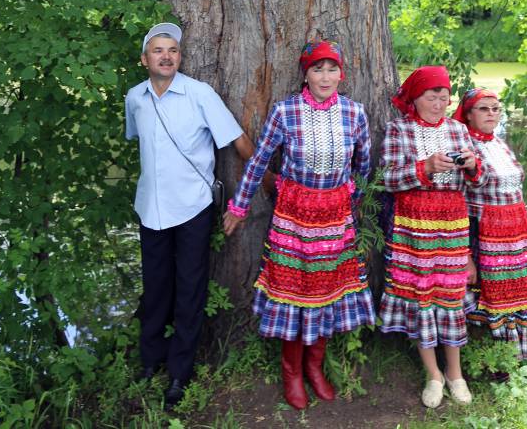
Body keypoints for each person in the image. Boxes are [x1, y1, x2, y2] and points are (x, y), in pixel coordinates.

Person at [223, 39, 375, 410]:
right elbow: (259, 162)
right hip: (293, 217)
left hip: (335, 218)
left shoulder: (354, 113)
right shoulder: (286, 111)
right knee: (294, 292)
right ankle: (291, 371)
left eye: (332, 69)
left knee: (326, 291)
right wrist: (239, 207)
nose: (325, 77)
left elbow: (364, 166)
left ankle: (315, 367)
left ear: (342, 73)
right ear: (305, 74)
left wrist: (351, 203)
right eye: (317, 69)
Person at [125, 22, 257, 409]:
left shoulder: (199, 94)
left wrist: (264, 177)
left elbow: (238, 140)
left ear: (179, 57)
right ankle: (151, 362)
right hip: (151, 208)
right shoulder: (135, 98)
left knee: (189, 291)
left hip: (193, 208)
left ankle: (180, 373)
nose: (166, 57)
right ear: (145, 58)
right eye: (158, 51)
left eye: (173, 51)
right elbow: (140, 142)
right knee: (155, 290)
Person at [379, 65, 488, 410]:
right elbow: (390, 180)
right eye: (431, 95)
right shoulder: (398, 129)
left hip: (453, 224)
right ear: (415, 97)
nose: (440, 101)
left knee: (451, 296)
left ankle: (455, 373)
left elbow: (479, 182)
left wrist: (472, 166)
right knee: (421, 298)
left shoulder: (458, 129)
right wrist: (425, 168)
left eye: (444, 95)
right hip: (412, 225)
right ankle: (433, 374)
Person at [453, 88, 527, 362]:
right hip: (485, 234)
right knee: (485, 295)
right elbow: (468, 189)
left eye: (495, 109)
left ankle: (517, 359)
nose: (491, 113)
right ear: (468, 114)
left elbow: (518, 194)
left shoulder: (499, 143)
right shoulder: (465, 148)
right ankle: (488, 361)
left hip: (515, 235)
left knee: (516, 294)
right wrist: (466, 256)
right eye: (483, 108)